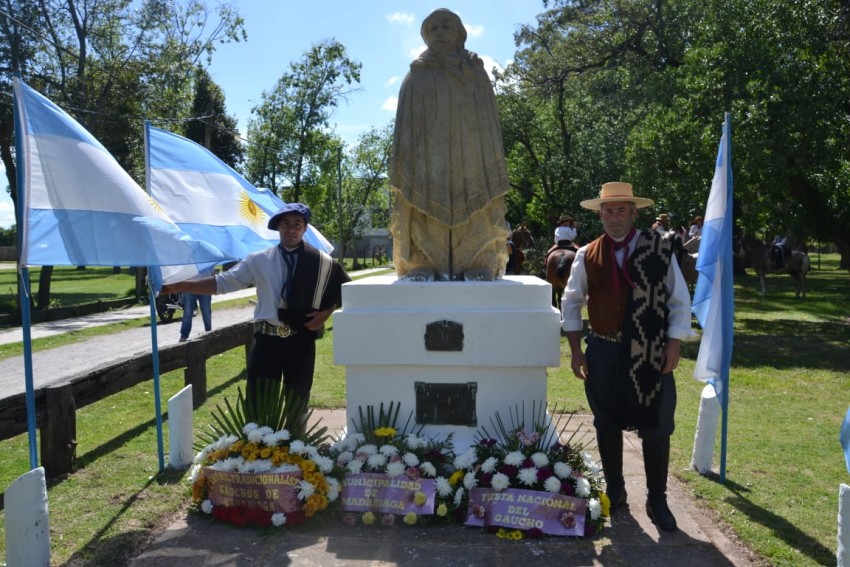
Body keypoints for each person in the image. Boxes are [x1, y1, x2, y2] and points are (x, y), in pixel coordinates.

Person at [560, 182, 692, 533]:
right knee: (605, 420)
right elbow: (571, 302)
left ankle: (657, 498)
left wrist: (674, 343)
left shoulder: (659, 249)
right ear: (599, 214)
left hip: (651, 347)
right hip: (602, 348)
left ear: (634, 213)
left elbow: (679, 300)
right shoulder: (586, 254)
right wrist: (576, 351)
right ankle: (616, 490)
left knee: (657, 424)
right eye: (608, 211)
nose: (614, 217)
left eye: (622, 210)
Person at [160, 202, 351, 414]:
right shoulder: (259, 260)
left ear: (305, 228)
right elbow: (221, 283)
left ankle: (297, 445)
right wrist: (178, 285)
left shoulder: (321, 261)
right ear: (277, 227)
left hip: (301, 341)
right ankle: (259, 446)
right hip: (267, 341)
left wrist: (327, 312)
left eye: (298, 224)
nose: (291, 229)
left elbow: (345, 289)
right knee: (259, 404)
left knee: (297, 405)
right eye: (286, 223)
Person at [389, 8, 510, 282]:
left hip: (471, 156)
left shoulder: (474, 72)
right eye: (432, 29)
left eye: (446, 27)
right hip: (428, 161)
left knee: (476, 206)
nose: (439, 33)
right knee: (421, 206)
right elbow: (404, 130)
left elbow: (488, 121)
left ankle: (479, 260)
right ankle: (422, 263)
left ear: (460, 34)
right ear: (425, 37)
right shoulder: (416, 75)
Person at [178, 266, 214, 342]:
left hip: (205, 282)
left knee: (206, 310)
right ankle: (184, 335)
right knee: (188, 311)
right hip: (189, 282)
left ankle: (209, 332)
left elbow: (211, 264)